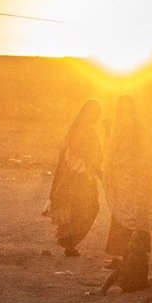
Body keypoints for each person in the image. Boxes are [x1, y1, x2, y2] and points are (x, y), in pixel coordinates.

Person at [100, 96, 152, 291]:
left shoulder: (133, 128)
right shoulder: (131, 127)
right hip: (131, 184)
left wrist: (117, 169)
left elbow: (123, 154)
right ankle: (125, 259)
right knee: (125, 219)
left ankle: (128, 260)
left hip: (132, 183)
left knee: (127, 219)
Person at [45, 100, 105, 255]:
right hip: (81, 178)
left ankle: (68, 243)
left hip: (74, 178)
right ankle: (68, 243)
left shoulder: (76, 129)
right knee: (87, 209)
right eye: (97, 113)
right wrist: (99, 173)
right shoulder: (85, 132)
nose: (98, 117)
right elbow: (88, 157)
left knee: (77, 211)